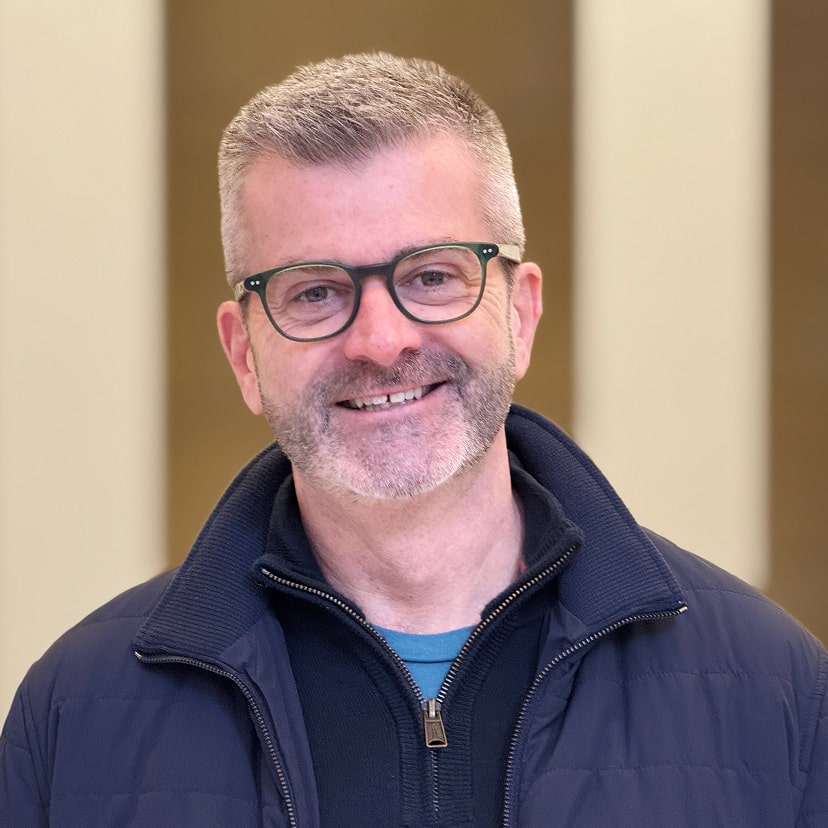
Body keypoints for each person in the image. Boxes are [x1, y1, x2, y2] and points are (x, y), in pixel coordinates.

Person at [1, 52, 826, 827]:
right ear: (243, 353)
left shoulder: (777, 693)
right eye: (315, 292)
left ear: (521, 312)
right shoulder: (72, 722)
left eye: (432, 276)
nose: (380, 341)